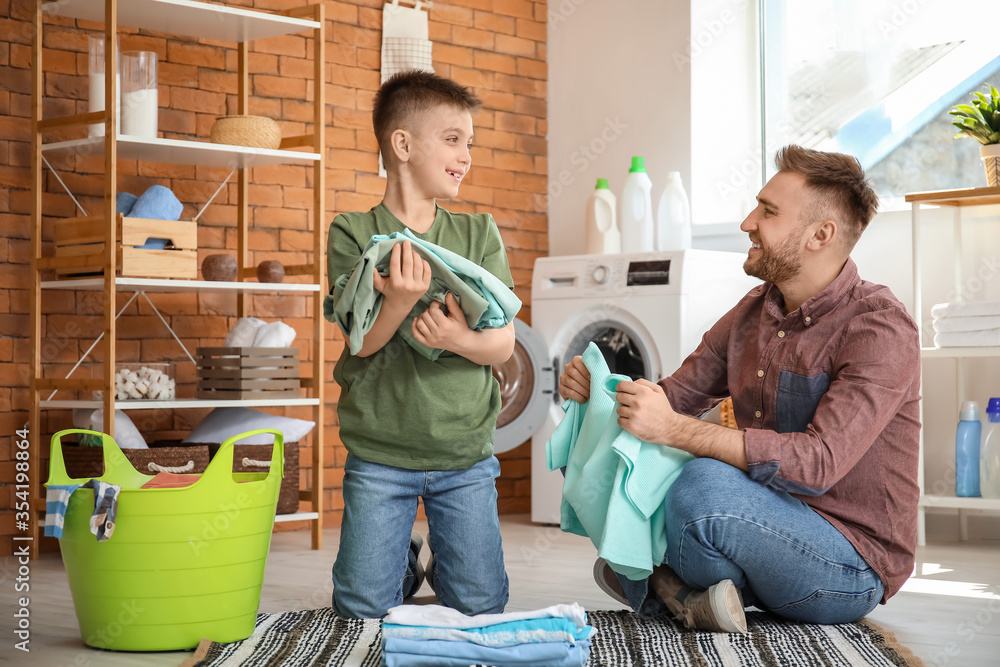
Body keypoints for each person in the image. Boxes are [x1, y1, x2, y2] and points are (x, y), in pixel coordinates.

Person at [559, 145, 920, 633]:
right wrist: (601, 393)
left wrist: (676, 432)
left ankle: (670, 585)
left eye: (768, 212)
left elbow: (818, 464)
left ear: (821, 234)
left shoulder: (879, 327)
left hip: (849, 562)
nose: (748, 222)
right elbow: (672, 396)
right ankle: (695, 595)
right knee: (619, 454)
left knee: (700, 485)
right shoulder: (754, 311)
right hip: (759, 522)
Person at [327, 70, 515, 619]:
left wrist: (459, 337)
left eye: (469, 143)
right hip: (380, 454)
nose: (466, 155)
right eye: (452, 139)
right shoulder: (354, 232)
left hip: (464, 454)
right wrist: (398, 303)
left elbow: (502, 345)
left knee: (482, 606)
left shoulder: (479, 234)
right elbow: (360, 344)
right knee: (361, 608)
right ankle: (402, 560)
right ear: (402, 144)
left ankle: (437, 560)